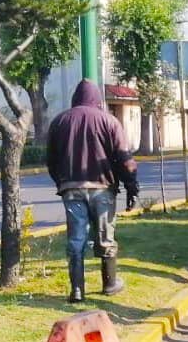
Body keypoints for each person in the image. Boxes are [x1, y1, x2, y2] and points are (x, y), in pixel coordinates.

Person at [47, 80, 140, 303]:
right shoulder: (109, 121)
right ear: (97, 99)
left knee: (76, 240)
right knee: (105, 237)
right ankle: (109, 284)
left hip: (71, 189)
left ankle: (77, 290)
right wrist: (131, 187)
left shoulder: (59, 121)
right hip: (102, 188)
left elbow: (51, 161)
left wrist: (61, 182)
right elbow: (125, 160)